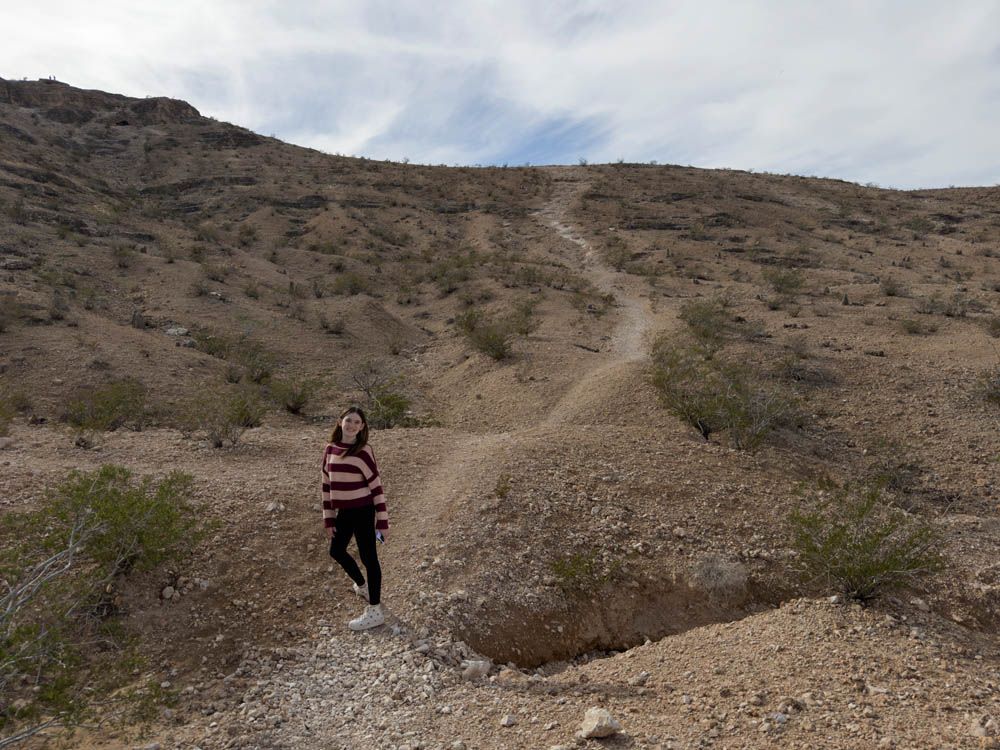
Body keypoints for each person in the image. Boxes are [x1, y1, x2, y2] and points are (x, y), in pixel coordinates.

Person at [321, 406, 388, 630]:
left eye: (357, 422)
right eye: (348, 420)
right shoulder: (330, 449)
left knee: (369, 558)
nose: (351, 425)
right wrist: (329, 518)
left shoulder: (363, 450)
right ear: (340, 421)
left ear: (362, 427)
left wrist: (382, 522)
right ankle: (362, 585)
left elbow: (376, 487)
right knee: (336, 551)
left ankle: (375, 610)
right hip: (343, 512)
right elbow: (326, 485)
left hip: (363, 510)